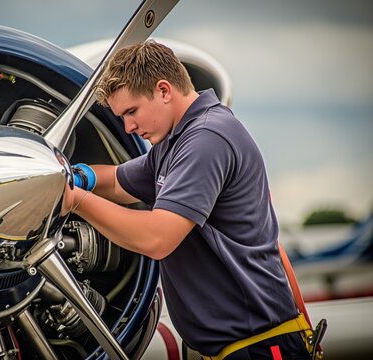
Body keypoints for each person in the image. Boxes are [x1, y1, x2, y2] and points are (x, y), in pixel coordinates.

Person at [67, 40, 315, 359]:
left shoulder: (206, 139)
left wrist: (73, 200)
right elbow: (117, 182)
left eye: (132, 112)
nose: (128, 128)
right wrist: (70, 175)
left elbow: (157, 238)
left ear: (164, 90)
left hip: (258, 349)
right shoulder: (177, 142)